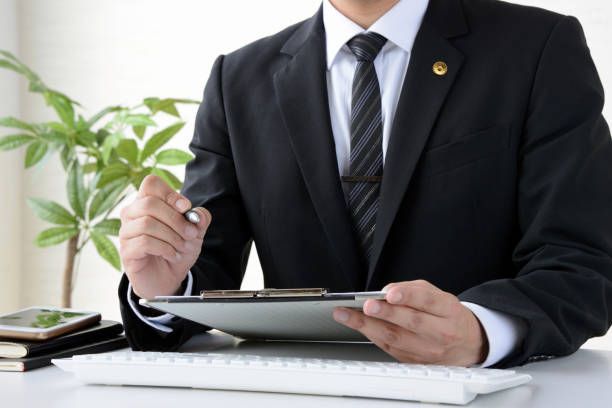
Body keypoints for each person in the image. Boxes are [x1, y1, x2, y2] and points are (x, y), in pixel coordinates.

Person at [117, 0, 612, 368]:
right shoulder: (239, 78)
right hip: (298, 393)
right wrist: (164, 286)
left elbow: (582, 263)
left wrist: (483, 332)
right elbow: (204, 271)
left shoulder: (538, 48)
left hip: (483, 393)